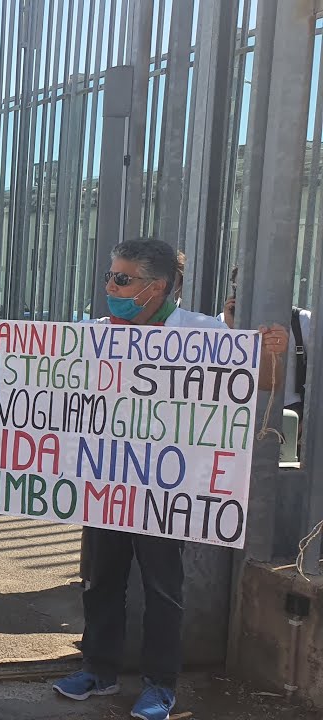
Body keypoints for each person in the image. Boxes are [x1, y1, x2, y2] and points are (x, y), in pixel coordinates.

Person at [53, 239, 289, 720]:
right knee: (100, 581)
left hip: (165, 487)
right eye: (110, 277)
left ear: (155, 287)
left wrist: (272, 352)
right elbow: (34, 371)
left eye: (122, 279)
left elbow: (261, 383)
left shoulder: (202, 333)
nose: (110, 287)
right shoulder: (95, 333)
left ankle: (160, 685)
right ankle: (98, 670)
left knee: (162, 589)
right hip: (107, 481)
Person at [223, 266, 311, 417]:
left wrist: (307, 419)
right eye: (240, 288)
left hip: (291, 413)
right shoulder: (224, 322)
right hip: (240, 413)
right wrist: (232, 331)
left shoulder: (302, 321)